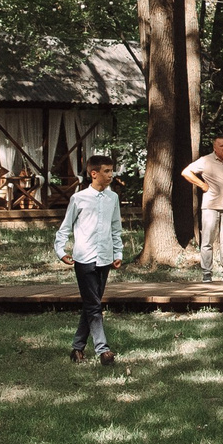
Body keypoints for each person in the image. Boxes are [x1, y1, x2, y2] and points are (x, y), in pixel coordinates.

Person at [56, 154, 124, 363]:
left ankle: (77, 349)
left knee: (91, 304)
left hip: (105, 259)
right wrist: (61, 251)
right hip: (84, 258)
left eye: (112, 171)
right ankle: (103, 350)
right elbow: (65, 228)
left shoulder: (112, 198)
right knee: (94, 305)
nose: (111, 175)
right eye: (106, 171)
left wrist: (118, 253)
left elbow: (115, 227)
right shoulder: (79, 198)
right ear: (94, 174)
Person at [182, 136, 223, 281]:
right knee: (207, 240)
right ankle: (207, 273)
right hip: (210, 206)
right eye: (221, 146)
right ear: (214, 148)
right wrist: (202, 185)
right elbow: (186, 172)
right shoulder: (205, 160)